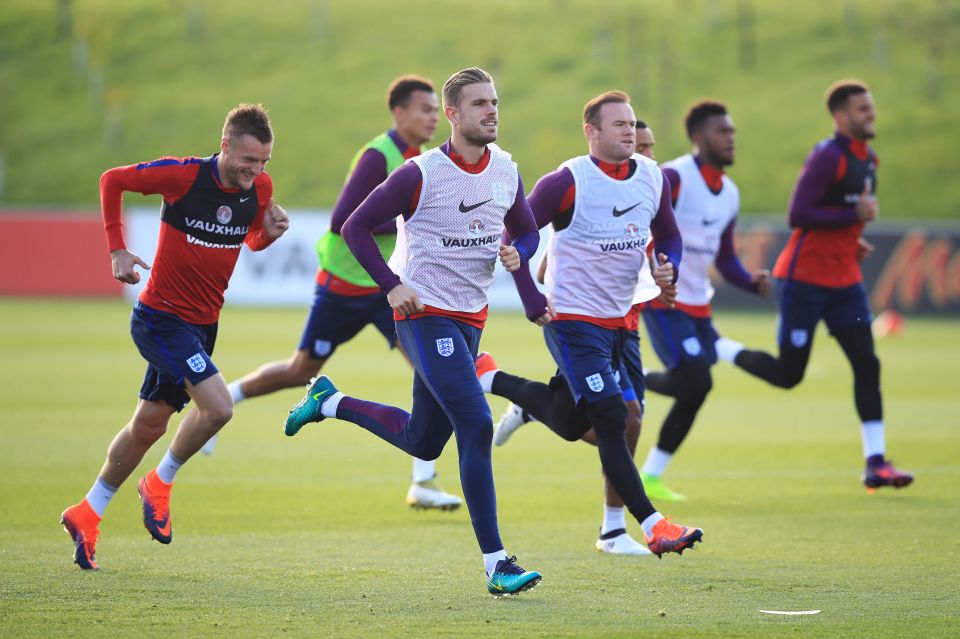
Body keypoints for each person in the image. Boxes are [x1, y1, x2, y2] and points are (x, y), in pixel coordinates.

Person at [283, 68, 547, 596]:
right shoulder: (418, 172)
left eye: (495, 102)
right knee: (474, 423)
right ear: (452, 115)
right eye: (478, 104)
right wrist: (390, 285)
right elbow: (353, 225)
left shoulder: (506, 171)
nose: (491, 112)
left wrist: (522, 251)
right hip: (423, 314)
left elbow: (528, 230)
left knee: (423, 441)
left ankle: (331, 403)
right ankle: (498, 565)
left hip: (470, 317)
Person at [204, 75, 462, 511]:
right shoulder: (377, 156)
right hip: (343, 285)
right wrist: (406, 219)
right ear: (399, 113)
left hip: (388, 288)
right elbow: (342, 218)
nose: (433, 116)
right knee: (297, 370)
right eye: (425, 109)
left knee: (430, 370)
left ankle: (423, 480)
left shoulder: (421, 159)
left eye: (436, 110)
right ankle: (218, 406)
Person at [60, 104, 290, 570]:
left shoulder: (258, 187)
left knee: (148, 425)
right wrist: (117, 248)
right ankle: (160, 482)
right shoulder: (182, 176)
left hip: (203, 325)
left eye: (264, 162)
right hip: (160, 319)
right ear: (225, 145)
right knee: (220, 407)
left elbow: (247, 239)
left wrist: (270, 234)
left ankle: (87, 512)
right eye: (248, 160)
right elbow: (112, 180)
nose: (256, 171)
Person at [477, 91, 703, 559]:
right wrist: (531, 296)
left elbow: (671, 238)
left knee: (576, 420)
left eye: (632, 123)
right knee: (613, 417)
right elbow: (516, 235)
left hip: (623, 321)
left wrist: (668, 267)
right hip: (572, 321)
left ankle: (494, 380)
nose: (629, 131)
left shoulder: (651, 178)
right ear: (591, 131)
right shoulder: (567, 181)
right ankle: (651, 525)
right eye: (618, 124)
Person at [715, 80, 913, 492]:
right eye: (862, 109)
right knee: (789, 375)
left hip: (845, 284)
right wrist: (850, 216)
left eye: (871, 107)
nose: (870, 114)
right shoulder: (828, 156)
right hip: (803, 281)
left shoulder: (869, 159)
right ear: (841, 117)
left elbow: (839, 214)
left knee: (867, 364)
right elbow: (798, 213)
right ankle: (719, 347)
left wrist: (849, 236)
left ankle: (875, 463)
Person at [637, 101, 771, 502]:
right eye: (721, 132)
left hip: (698, 304)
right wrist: (655, 271)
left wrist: (750, 282)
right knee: (697, 380)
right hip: (663, 298)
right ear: (698, 138)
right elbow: (640, 226)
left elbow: (725, 257)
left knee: (694, 389)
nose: (730, 138)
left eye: (731, 132)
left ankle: (652, 475)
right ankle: (624, 380)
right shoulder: (674, 177)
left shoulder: (729, 192)